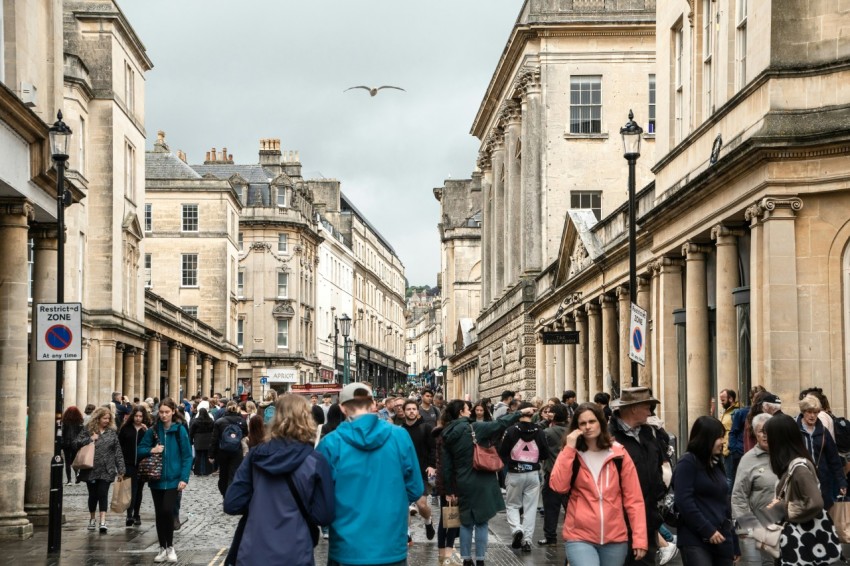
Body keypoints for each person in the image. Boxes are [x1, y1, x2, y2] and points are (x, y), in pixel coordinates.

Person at [317, 382, 423, 566]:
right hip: (390, 544)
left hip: (347, 547)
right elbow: (415, 489)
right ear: (373, 404)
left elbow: (321, 500)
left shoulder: (330, 444)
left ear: (342, 408)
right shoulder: (399, 436)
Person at [224, 394, 335, 566]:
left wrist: (260, 503)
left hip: (253, 551)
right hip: (296, 551)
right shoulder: (315, 461)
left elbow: (232, 503)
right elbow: (323, 515)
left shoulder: (255, 456)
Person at [549, 402, 646, 565]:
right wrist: (569, 449)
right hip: (579, 536)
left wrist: (640, 538)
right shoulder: (572, 453)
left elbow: (634, 499)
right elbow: (558, 486)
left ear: (601, 422)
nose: (587, 426)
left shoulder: (619, 454)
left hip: (615, 537)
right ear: (576, 427)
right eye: (582, 423)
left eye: (592, 421)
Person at [442, 399, 536, 566]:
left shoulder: (447, 432)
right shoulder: (474, 428)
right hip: (481, 479)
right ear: (460, 412)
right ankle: (480, 559)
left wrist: (449, 489)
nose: (469, 411)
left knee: (465, 522)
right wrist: (520, 413)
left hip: (462, 481)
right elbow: (500, 423)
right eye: (467, 409)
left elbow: (446, 466)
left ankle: (465, 559)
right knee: (481, 521)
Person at [609, 387, 667, 566]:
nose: (650, 411)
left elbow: (657, 463)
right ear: (634, 408)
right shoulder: (609, 437)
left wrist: (660, 489)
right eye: (647, 407)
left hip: (648, 516)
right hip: (620, 520)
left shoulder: (648, 433)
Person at [673, 416, 739, 566]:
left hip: (722, 538)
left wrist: (734, 542)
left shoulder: (716, 463)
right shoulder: (688, 462)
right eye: (718, 437)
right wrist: (707, 530)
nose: (722, 442)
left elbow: (724, 504)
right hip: (695, 539)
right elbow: (684, 501)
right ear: (705, 439)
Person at [137, 397, 192, 563]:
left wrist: (184, 478)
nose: (163, 415)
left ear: (173, 411)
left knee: (168, 511)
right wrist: (152, 450)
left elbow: (187, 456)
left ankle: (170, 546)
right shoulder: (153, 430)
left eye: (167, 412)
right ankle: (162, 547)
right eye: (161, 412)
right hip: (157, 478)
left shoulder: (180, 430)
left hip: (174, 479)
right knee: (160, 514)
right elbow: (140, 450)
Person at [499, 401, 549, 552]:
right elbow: (545, 453)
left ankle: (516, 529)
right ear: (531, 413)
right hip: (533, 474)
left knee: (512, 505)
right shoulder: (540, 431)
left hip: (515, 473)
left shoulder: (511, 430)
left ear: (520, 413)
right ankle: (527, 541)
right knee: (530, 508)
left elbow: (503, 452)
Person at [731, 413, 777, 566]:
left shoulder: (785, 453)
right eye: (761, 431)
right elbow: (738, 497)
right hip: (765, 526)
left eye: (769, 431)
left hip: (790, 523)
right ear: (755, 434)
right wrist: (751, 528)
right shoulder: (748, 460)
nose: (765, 435)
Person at [74, 406, 126, 533]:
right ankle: (92, 518)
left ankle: (103, 521)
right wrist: (90, 439)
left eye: (108, 418)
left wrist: (121, 469)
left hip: (107, 469)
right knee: (93, 495)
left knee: (103, 494)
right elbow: (75, 443)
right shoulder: (88, 430)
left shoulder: (112, 433)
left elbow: (118, 452)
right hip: (91, 469)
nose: (107, 421)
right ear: (97, 418)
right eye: (104, 418)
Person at [796, 394, 846, 509]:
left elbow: (833, 458)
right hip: (801, 479)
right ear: (803, 411)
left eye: (816, 412)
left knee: (822, 511)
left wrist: (841, 482)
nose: (813, 416)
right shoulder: (795, 429)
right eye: (809, 412)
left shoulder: (823, 431)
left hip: (821, 480)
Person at [400, 399, 436, 540]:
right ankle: (407, 533)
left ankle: (428, 521)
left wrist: (432, 465)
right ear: (404, 412)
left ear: (418, 411)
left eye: (414, 409)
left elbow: (434, 448)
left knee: (421, 505)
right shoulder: (400, 430)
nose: (411, 411)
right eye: (408, 409)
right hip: (404, 473)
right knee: (405, 506)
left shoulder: (426, 428)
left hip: (422, 472)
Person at [431, 409, 460, 566]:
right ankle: (447, 554)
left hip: (445, 482)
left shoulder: (441, 435)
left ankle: (443, 554)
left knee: (447, 518)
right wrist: (450, 490)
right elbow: (447, 465)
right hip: (449, 483)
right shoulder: (447, 437)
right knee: (451, 518)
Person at [538, 403, 568, 547]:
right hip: (570, 475)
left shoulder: (547, 433)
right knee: (570, 507)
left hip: (552, 474)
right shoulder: (571, 431)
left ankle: (550, 537)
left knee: (551, 508)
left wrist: (545, 421)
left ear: (554, 416)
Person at [118, 405, 150, 527]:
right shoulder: (126, 429)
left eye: (140, 416)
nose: (138, 418)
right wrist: (120, 464)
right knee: (130, 490)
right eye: (136, 416)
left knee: (139, 490)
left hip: (142, 464)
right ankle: (129, 515)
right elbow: (119, 447)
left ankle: (136, 513)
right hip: (128, 463)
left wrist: (147, 431)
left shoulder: (146, 430)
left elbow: (153, 444)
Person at [209, 400, 249, 497]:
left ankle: (225, 494)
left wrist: (211, 455)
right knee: (234, 473)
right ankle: (232, 494)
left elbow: (214, 439)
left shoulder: (219, 421)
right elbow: (245, 434)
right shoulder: (242, 421)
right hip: (237, 450)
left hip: (222, 451)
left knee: (223, 473)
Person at [718, 389, 741, 489]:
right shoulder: (726, 412)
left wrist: (731, 447)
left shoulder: (735, 412)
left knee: (729, 478)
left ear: (730, 399)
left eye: (723, 400)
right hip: (725, 448)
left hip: (730, 449)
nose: (721, 403)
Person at [61, 406, 84, 484]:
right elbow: (81, 433)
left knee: (67, 462)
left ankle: (69, 480)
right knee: (75, 461)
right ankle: (77, 475)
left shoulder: (65, 421)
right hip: (76, 443)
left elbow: (62, 432)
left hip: (66, 443)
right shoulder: (80, 421)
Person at [188, 407, 215, 476]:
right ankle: (207, 471)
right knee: (206, 456)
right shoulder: (211, 421)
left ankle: (198, 471)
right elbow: (214, 431)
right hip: (208, 440)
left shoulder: (195, 421)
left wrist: (190, 441)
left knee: (198, 456)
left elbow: (191, 432)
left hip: (198, 440)